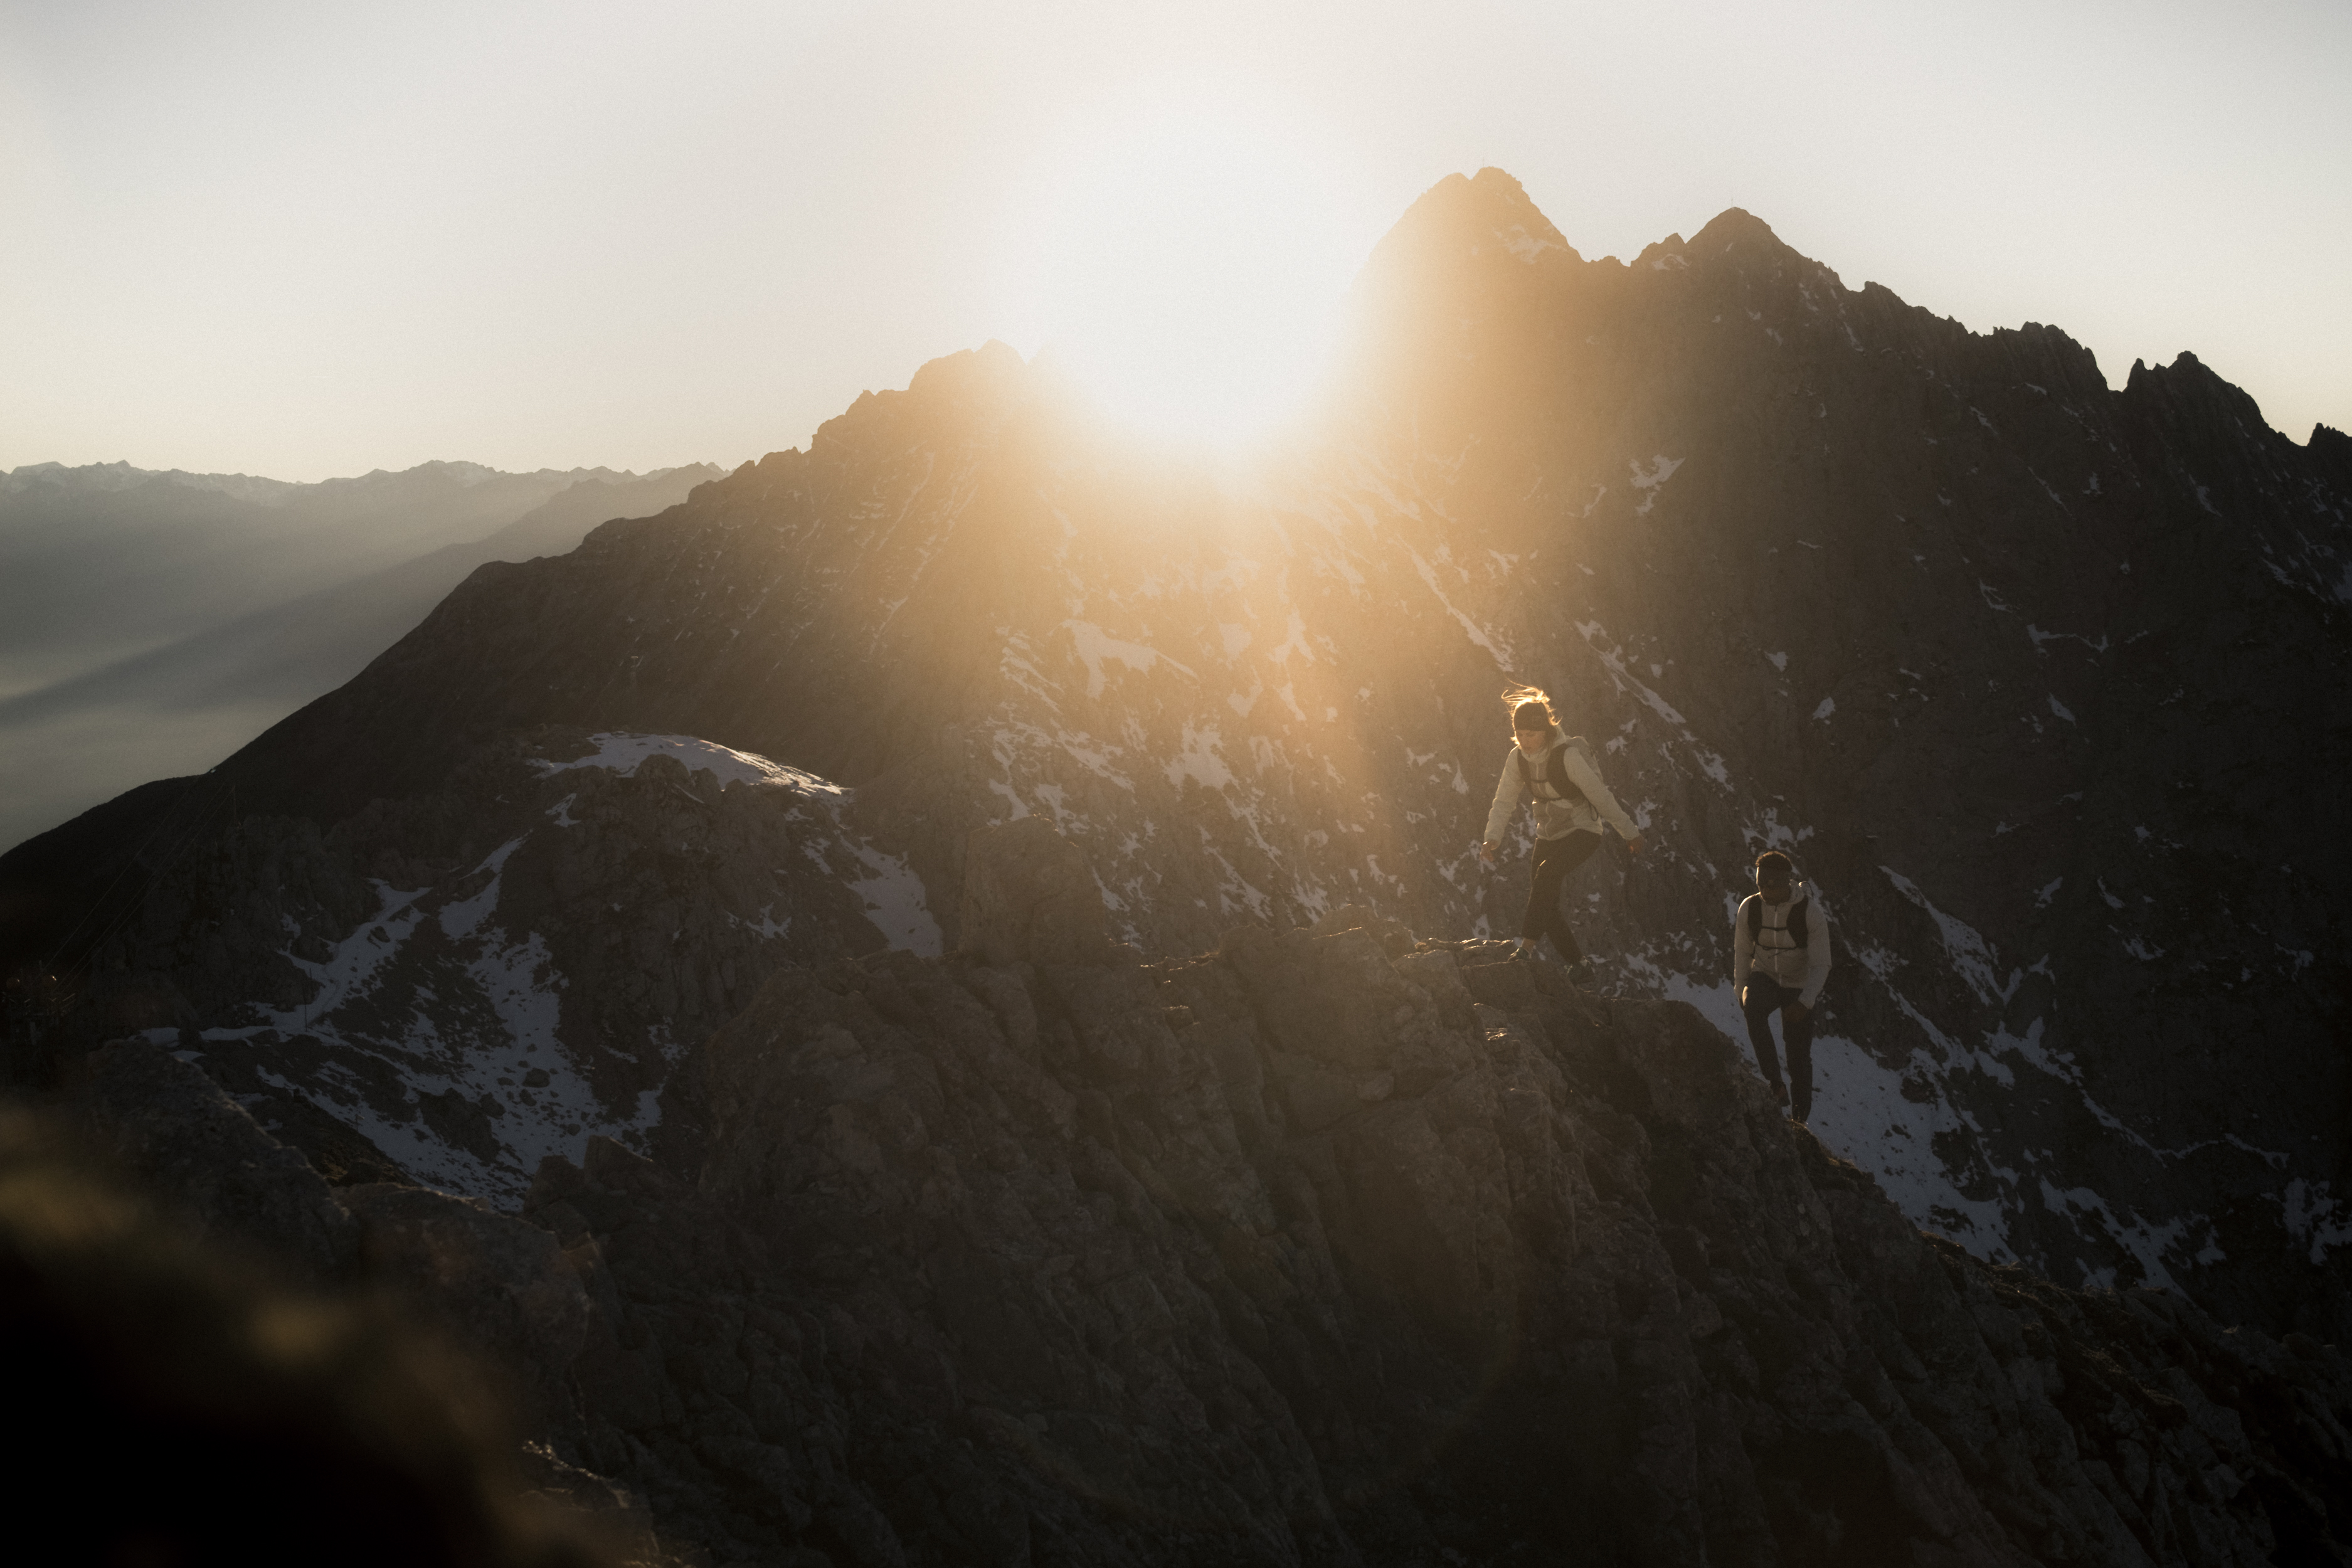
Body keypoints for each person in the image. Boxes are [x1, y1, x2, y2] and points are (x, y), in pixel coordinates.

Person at [1478, 686, 1645, 971]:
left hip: (1583, 831)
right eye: (1520, 733)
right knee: (1547, 903)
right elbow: (1504, 799)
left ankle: (1525, 949)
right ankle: (1579, 966)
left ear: (1545, 731)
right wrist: (1492, 838)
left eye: (1531, 734)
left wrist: (1630, 832)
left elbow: (1599, 796)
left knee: (1546, 875)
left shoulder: (1567, 756)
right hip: (1549, 832)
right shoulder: (1517, 758)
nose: (1525, 740)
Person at [1732, 850, 1834, 1126]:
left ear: (1787, 882)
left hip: (1799, 985)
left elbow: (1822, 964)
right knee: (1753, 1010)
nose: (1764, 890)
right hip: (1765, 975)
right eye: (1759, 884)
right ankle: (1775, 1084)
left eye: (1771, 884)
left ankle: (1800, 1122)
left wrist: (1804, 1003)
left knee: (1798, 1055)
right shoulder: (1749, 908)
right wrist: (1741, 987)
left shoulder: (1810, 913)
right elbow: (1743, 952)